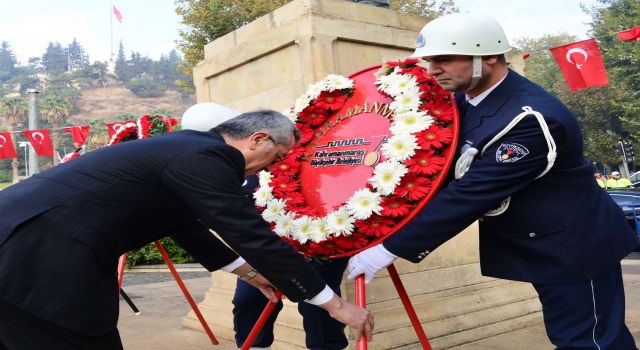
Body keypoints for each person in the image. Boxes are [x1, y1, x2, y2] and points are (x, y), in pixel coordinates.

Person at [347, 13, 638, 350]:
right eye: (429, 60)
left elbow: (471, 193)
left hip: (573, 247)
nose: (432, 69)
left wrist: (389, 248)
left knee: (589, 341)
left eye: (444, 59)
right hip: (537, 239)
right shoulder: (461, 101)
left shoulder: (531, 118)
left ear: (487, 56)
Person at [0, 110, 374, 349]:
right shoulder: (208, 158)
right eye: (274, 159)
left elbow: (182, 224)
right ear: (257, 138)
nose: (268, 170)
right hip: (34, 257)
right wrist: (335, 305)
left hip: (25, 247)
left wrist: (248, 272)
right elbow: (249, 233)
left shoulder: (185, 149)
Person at [233, 175, 349, 350]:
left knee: (318, 311)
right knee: (248, 301)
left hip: (319, 239)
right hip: (265, 245)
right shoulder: (250, 165)